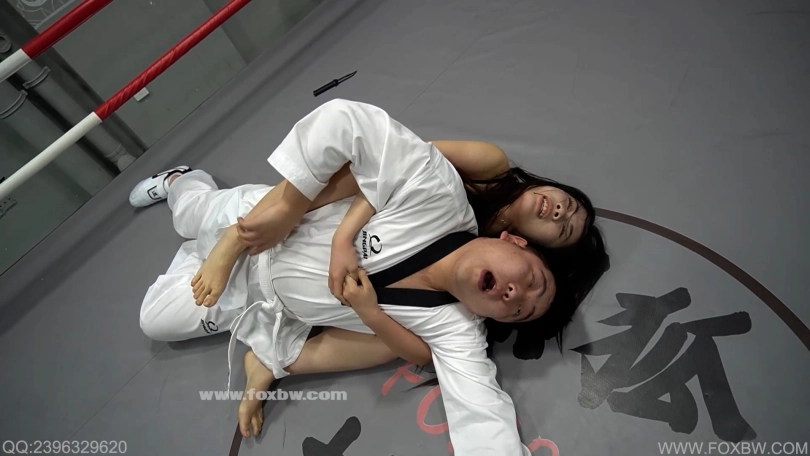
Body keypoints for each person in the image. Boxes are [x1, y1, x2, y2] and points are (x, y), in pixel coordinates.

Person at [131, 99, 559, 454]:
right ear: (514, 241)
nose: (513, 294)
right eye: (530, 280)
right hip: (256, 226)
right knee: (188, 214)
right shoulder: (441, 197)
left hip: (260, 303)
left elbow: (482, 413)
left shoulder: (457, 328)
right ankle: (183, 181)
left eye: (519, 310)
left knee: (155, 320)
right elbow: (345, 121)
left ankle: (243, 325)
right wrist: (288, 211)